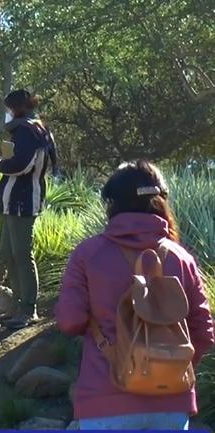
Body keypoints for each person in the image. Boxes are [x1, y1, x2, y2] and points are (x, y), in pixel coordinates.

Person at [55, 160, 214, 430]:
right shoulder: (182, 258)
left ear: (112, 204)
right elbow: (205, 333)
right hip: (171, 405)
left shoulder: (88, 254)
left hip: (104, 401)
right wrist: (167, 366)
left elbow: (70, 320)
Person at [0, 89, 57, 329]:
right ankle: (19, 305)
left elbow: (21, 164)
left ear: (16, 107)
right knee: (9, 252)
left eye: (9, 108)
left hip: (24, 199)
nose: (8, 113)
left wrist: (1, 164)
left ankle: (29, 308)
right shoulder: (27, 129)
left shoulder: (30, 130)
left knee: (22, 252)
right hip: (12, 199)